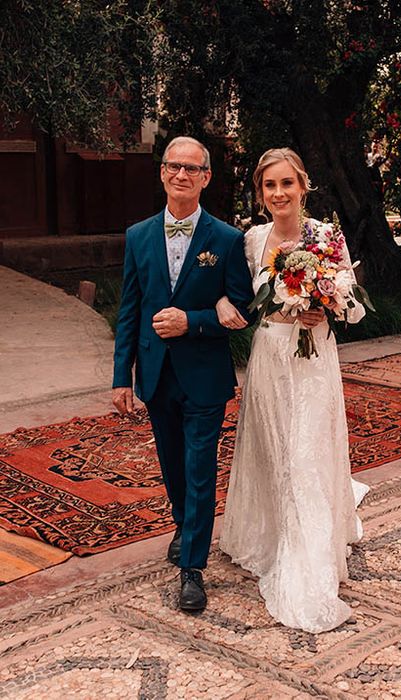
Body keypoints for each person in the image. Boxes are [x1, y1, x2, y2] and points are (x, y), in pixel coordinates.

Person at [216, 147, 369, 633]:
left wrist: (329, 307)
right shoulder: (252, 239)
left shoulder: (326, 237)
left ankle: (308, 557)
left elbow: (353, 303)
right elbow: (234, 291)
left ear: (303, 186)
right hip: (269, 357)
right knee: (275, 452)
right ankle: (273, 531)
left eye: (287, 183)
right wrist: (220, 299)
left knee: (304, 453)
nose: (278, 193)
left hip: (312, 360)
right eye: (269, 186)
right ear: (260, 194)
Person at [112, 136, 255, 612]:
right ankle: (184, 524)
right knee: (172, 464)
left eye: (192, 169)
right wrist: (121, 377)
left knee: (199, 467)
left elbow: (242, 310)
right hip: (155, 373)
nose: (181, 175)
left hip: (204, 374)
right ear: (162, 173)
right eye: (174, 166)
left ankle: (192, 567)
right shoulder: (137, 236)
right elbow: (129, 311)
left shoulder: (227, 240)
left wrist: (191, 321)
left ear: (206, 178)